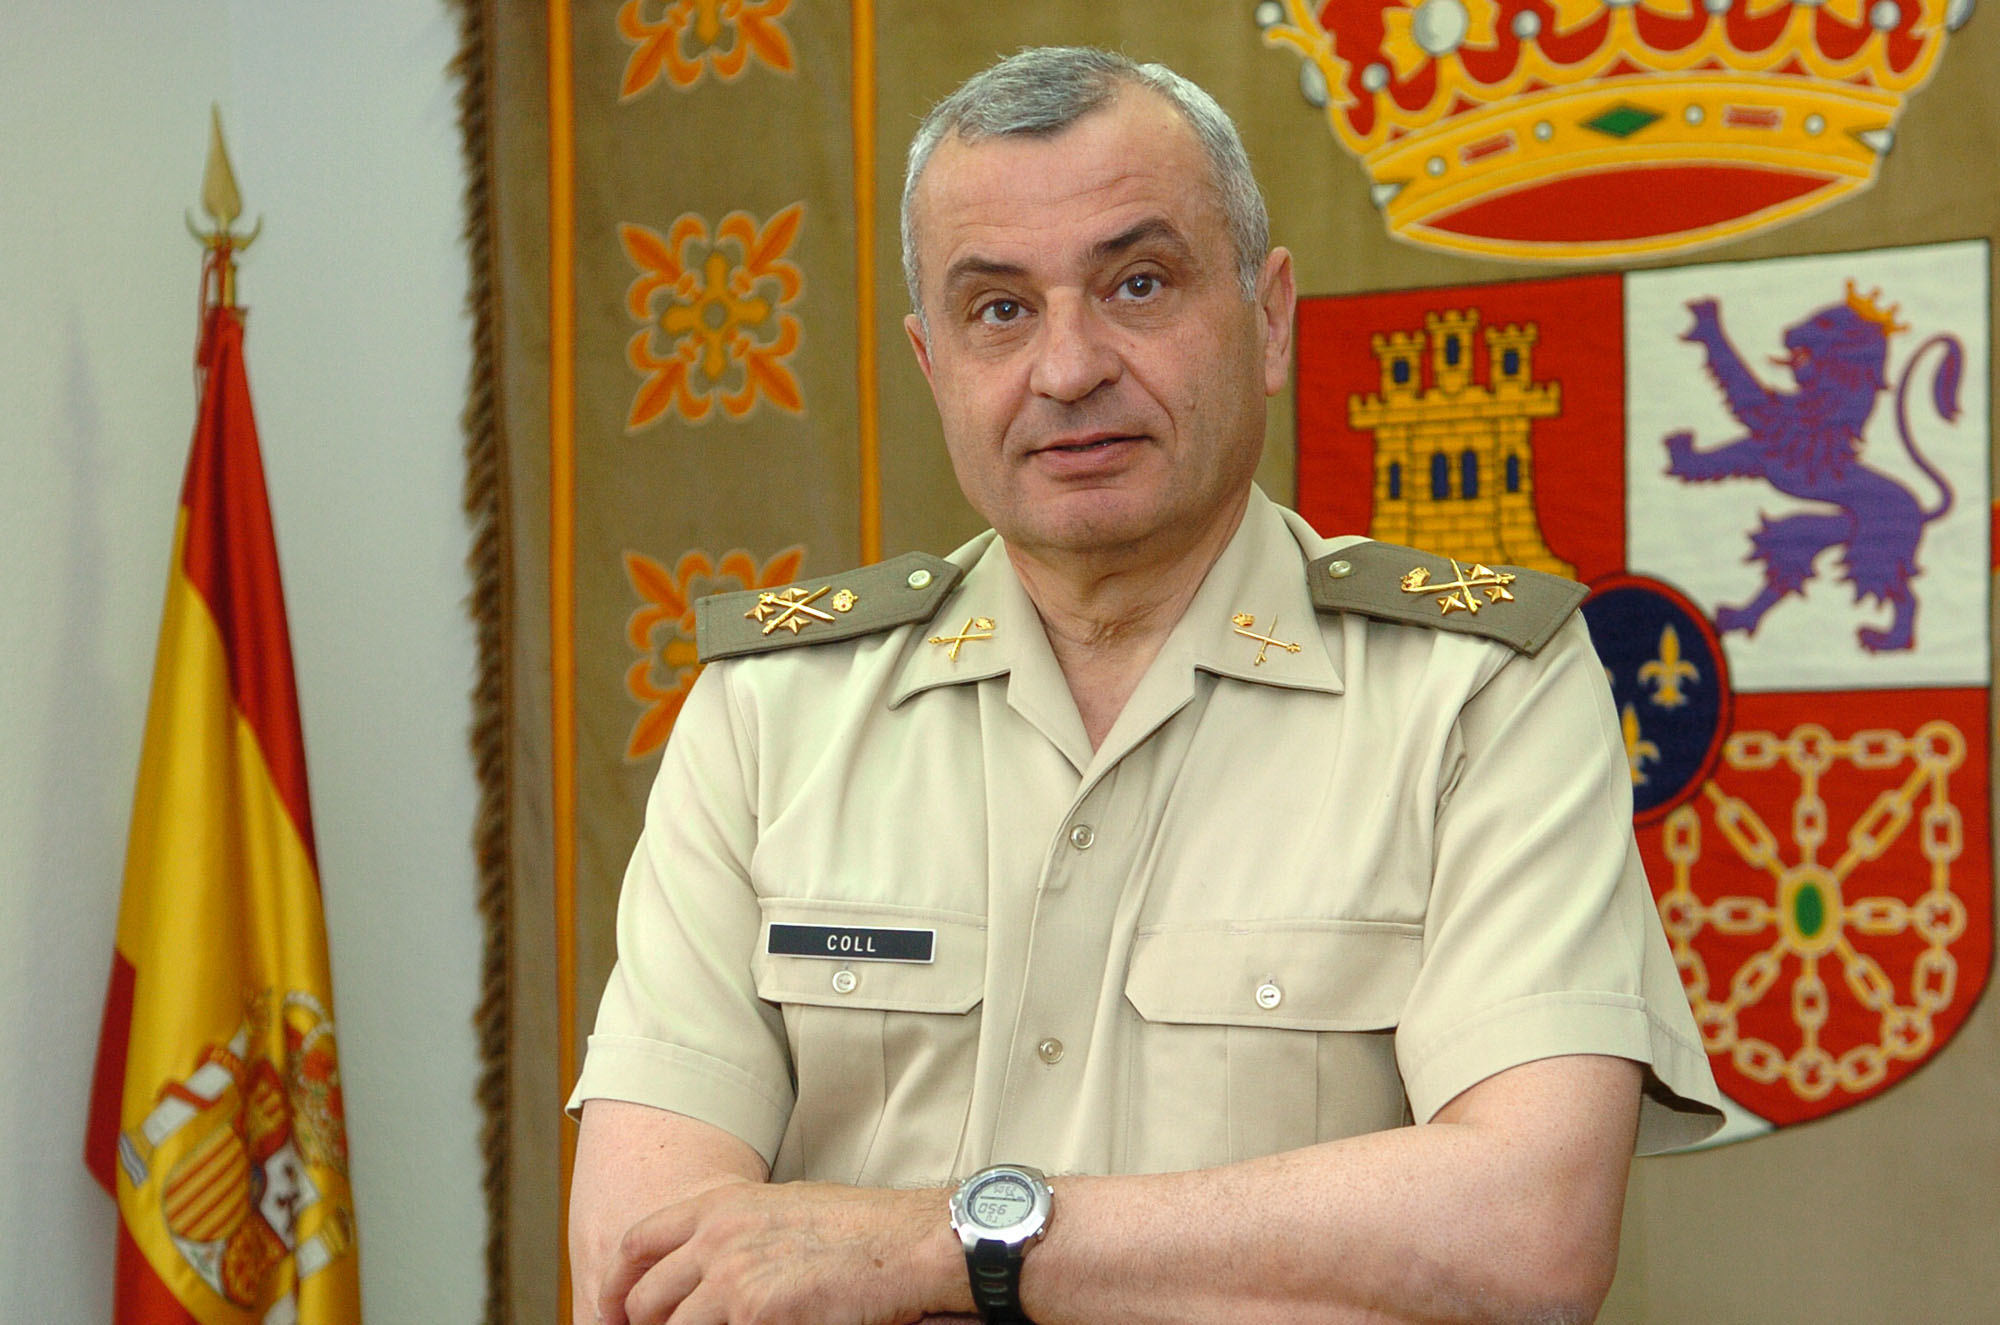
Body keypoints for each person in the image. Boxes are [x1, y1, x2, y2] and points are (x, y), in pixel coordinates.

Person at [567, 46, 1723, 1325]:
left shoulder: (1476, 694)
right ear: (930, 362)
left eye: (1136, 284)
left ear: (1267, 318)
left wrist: (937, 1241)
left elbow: (1524, 1233)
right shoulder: (772, 713)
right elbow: (639, 1265)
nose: (1067, 368)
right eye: (997, 310)